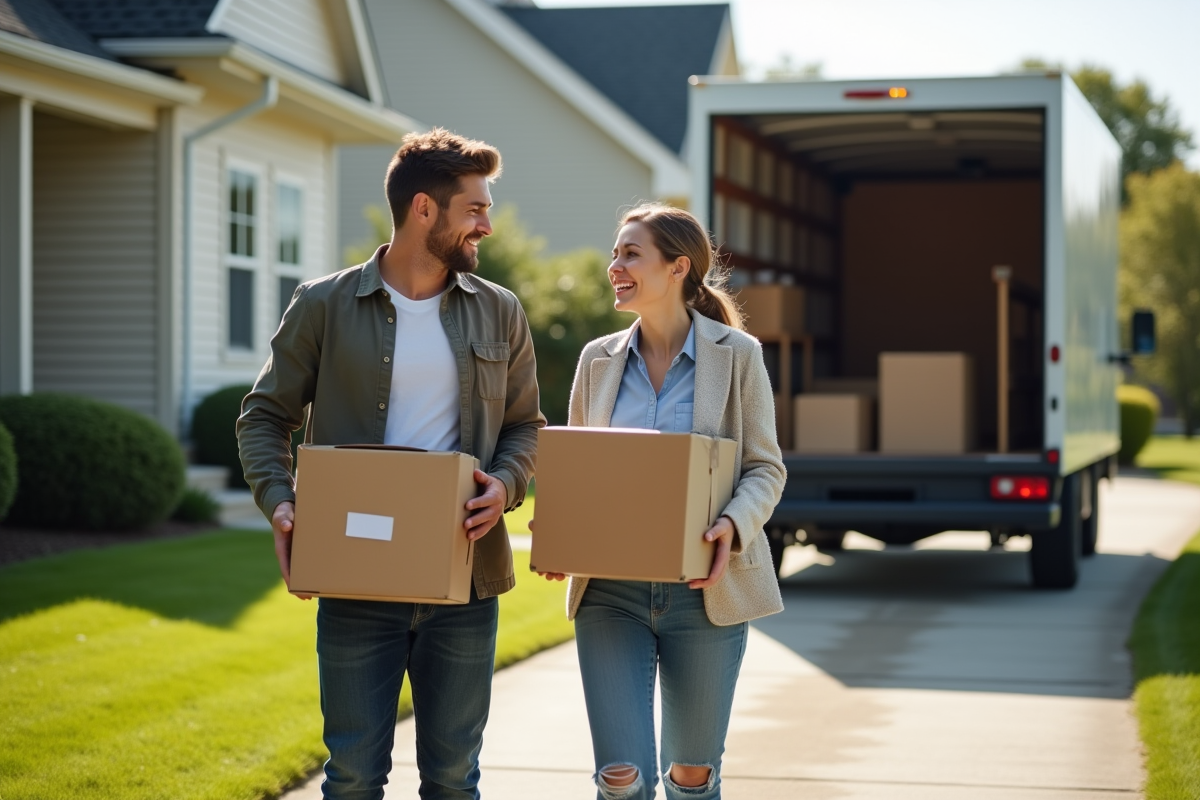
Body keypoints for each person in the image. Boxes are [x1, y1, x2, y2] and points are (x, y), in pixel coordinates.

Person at [236, 128, 543, 800]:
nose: (486, 226)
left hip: (466, 584)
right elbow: (263, 415)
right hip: (356, 581)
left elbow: (525, 427)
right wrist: (281, 502)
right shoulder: (325, 304)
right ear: (424, 210)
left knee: (454, 779)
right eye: (475, 210)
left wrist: (508, 483)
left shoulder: (500, 311)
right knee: (350, 780)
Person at [539, 202, 786, 799]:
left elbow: (765, 468)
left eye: (631, 254)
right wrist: (560, 533)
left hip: (704, 594)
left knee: (691, 775)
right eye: (615, 252)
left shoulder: (738, 355)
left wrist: (732, 523)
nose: (613, 266)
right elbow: (576, 469)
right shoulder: (596, 360)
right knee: (619, 776)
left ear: (679, 268)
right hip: (610, 594)